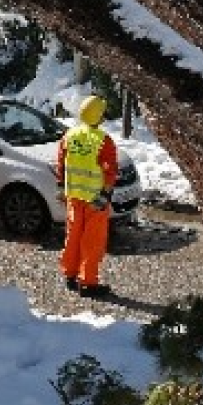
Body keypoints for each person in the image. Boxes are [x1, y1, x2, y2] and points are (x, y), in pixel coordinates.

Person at [56, 94, 118, 298]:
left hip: (74, 196)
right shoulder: (103, 141)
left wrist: (62, 188)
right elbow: (110, 172)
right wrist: (104, 195)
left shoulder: (69, 136)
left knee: (73, 236)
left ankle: (70, 275)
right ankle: (88, 283)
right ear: (99, 117)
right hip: (95, 199)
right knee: (92, 241)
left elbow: (61, 166)